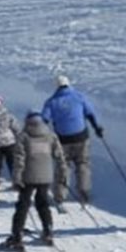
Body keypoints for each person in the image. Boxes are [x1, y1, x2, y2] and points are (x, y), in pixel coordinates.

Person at [5, 111, 66, 251]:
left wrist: (16, 179)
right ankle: (48, 231)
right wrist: (62, 173)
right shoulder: (51, 136)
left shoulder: (24, 136)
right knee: (43, 203)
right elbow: (59, 155)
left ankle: (17, 236)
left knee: (23, 205)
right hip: (46, 177)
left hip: (28, 177)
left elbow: (19, 160)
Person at [41, 75, 103, 209]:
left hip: (62, 140)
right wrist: (97, 128)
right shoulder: (79, 97)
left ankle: (59, 197)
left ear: (56, 86)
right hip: (81, 137)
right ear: (69, 84)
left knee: (63, 167)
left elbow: (44, 119)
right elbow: (91, 113)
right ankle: (84, 193)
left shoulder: (51, 102)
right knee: (83, 164)